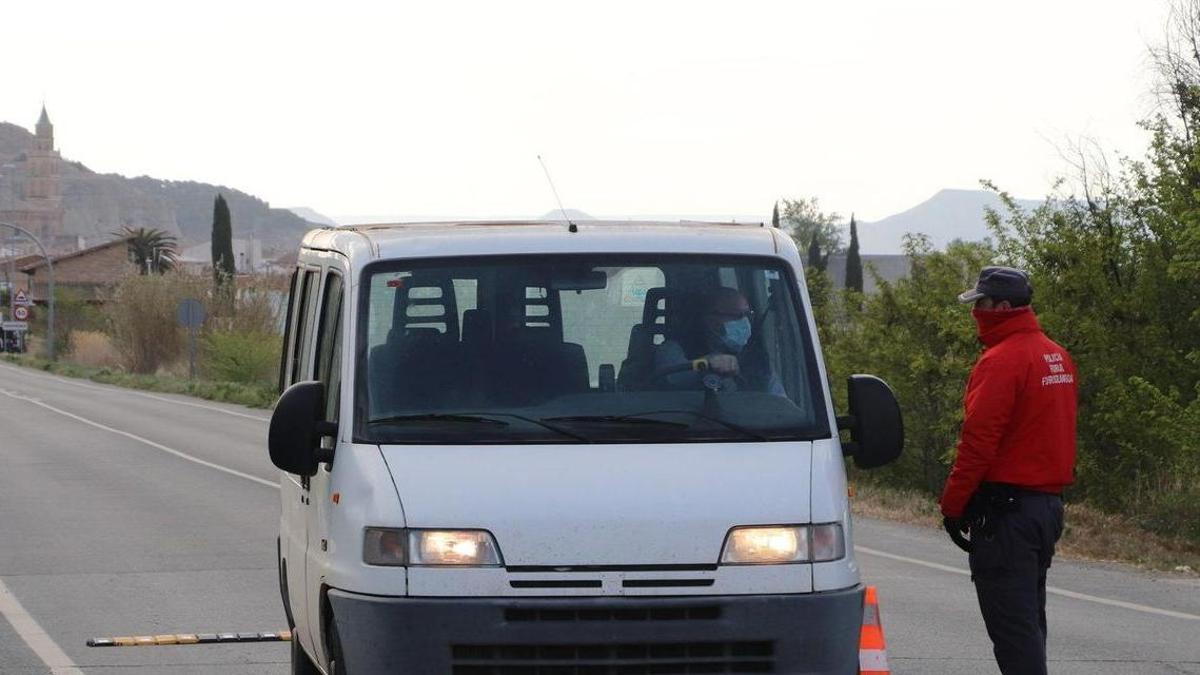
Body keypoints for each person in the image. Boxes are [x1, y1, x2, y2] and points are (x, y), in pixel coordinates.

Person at [940, 266, 1078, 675]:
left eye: (980, 304)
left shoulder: (1002, 360)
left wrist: (954, 505)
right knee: (1030, 623)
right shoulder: (1056, 354)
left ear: (1001, 307)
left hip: (1009, 514)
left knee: (1014, 632)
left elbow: (978, 441)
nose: (975, 313)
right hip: (1045, 507)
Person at [653, 286, 783, 395]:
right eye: (736, 316)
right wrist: (707, 363)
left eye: (748, 315)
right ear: (709, 318)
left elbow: (780, 404)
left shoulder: (756, 358)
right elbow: (673, 377)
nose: (745, 322)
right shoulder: (673, 348)